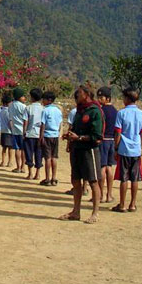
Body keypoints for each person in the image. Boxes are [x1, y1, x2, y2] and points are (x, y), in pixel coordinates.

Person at [59, 85, 104, 224]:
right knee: (76, 181)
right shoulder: (79, 111)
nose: (76, 96)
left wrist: (78, 138)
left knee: (93, 181)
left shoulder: (95, 111)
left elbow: (96, 135)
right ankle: (76, 211)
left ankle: (95, 213)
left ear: (86, 95)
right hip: (77, 149)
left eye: (78, 94)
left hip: (89, 150)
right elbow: (75, 129)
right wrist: (70, 137)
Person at [112, 87, 142, 213]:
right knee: (135, 178)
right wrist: (140, 147)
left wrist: (116, 148)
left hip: (124, 149)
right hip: (136, 150)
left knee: (124, 178)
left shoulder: (122, 113)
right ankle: (132, 204)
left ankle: (122, 205)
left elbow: (118, 133)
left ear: (127, 98)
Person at [97, 86, 118, 203]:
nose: (99, 99)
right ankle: (109, 194)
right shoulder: (116, 111)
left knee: (102, 167)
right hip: (112, 141)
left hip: (103, 140)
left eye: (101, 97)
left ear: (108, 98)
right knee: (109, 167)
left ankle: (100, 195)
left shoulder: (101, 111)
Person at [39, 91, 62, 186]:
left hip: (47, 135)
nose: (42, 101)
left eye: (43, 99)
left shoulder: (45, 110)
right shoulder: (58, 110)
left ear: (48, 100)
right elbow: (60, 124)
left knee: (47, 158)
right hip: (55, 135)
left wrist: (41, 136)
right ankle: (54, 178)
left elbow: (43, 124)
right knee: (54, 157)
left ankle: (47, 178)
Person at [23, 88, 44, 180]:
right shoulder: (43, 109)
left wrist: (24, 132)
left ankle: (30, 173)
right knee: (39, 153)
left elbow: (25, 122)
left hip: (30, 133)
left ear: (32, 97)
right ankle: (38, 174)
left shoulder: (28, 108)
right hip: (40, 134)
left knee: (29, 153)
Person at [8, 87, 27, 173]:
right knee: (23, 149)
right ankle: (23, 166)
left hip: (15, 130)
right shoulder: (23, 107)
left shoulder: (11, 105)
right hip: (23, 130)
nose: (24, 98)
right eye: (23, 96)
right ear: (19, 97)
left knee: (17, 149)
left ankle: (18, 167)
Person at [0, 93, 13, 167]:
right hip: (9, 131)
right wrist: (13, 130)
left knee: (4, 148)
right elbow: (10, 122)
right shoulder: (9, 111)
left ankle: (3, 161)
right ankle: (9, 162)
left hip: (3, 131)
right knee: (10, 148)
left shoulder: (1, 111)